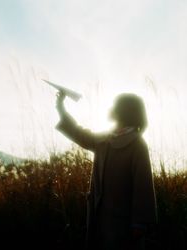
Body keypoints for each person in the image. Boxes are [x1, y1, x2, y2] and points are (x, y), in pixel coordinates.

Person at [55, 91, 158, 250]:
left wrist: (139, 224)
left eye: (115, 105)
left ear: (125, 111)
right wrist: (61, 108)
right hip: (99, 221)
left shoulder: (137, 144)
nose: (111, 108)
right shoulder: (107, 138)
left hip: (122, 225)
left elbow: (143, 186)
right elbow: (80, 134)